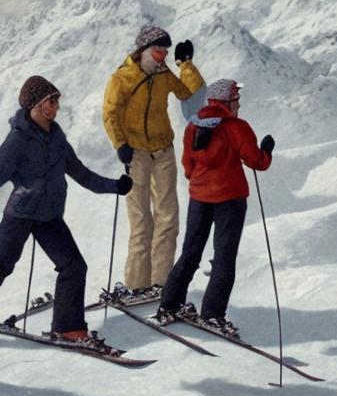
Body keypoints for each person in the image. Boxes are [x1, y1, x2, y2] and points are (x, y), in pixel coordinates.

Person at [0, 76, 132, 344]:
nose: (56, 107)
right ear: (36, 105)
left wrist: (115, 186)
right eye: (51, 101)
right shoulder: (18, 140)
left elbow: (81, 174)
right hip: (21, 214)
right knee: (1, 265)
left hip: (48, 216)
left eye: (57, 100)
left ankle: (68, 328)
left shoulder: (57, 137)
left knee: (74, 266)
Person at [156, 80, 273, 336]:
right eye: (236, 99)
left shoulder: (193, 125)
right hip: (230, 199)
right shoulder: (237, 128)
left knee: (190, 253)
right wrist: (267, 151)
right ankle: (212, 315)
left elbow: (188, 165)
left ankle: (169, 306)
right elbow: (256, 161)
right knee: (224, 258)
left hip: (199, 198)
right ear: (227, 102)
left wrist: (200, 182)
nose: (239, 104)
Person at [102, 25, 205, 303]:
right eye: (158, 51)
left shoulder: (163, 75)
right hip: (135, 153)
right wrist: (120, 144)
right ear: (144, 51)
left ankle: (161, 283)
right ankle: (137, 285)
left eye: (165, 52)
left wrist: (186, 65)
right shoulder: (123, 78)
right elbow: (110, 113)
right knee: (141, 221)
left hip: (163, 151)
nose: (162, 57)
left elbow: (188, 94)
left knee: (168, 216)